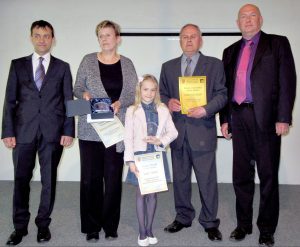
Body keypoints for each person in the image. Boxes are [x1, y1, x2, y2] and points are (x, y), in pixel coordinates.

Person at [220, 4, 296, 247]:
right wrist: (224, 119)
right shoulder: (229, 51)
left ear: (261, 19)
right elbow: (225, 89)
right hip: (238, 116)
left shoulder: (278, 43)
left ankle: (266, 229)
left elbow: (288, 81)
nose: (248, 20)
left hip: (265, 118)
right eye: (243, 16)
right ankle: (243, 224)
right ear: (237, 22)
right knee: (241, 175)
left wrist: (283, 117)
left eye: (253, 16)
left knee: (268, 175)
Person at [1, 20, 74, 245]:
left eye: (46, 35)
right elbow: (9, 101)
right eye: (37, 35)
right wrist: (7, 131)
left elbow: (69, 102)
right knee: (21, 180)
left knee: (49, 181)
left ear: (53, 39)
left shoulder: (63, 67)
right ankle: (19, 227)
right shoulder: (17, 65)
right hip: (23, 132)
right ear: (31, 38)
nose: (42, 39)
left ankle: (43, 225)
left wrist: (68, 130)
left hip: (53, 133)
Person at [159, 24, 227, 241]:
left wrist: (206, 109)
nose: (188, 40)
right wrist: (168, 102)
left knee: (206, 180)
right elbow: (161, 94)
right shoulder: (168, 67)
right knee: (180, 179)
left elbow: (222, 94)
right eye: (184, 37)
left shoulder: (214, 65)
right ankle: (183, 217)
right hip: (177, 133)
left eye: (193, 37)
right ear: (180, 40)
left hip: (202, 132)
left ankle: (209, 222)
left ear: (200, 40)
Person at [73, 20, 138, 242]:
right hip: (90, 129)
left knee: (112, 179)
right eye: (100, 35)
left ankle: (110, 225)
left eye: (108, 35)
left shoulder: (127, 63)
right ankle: (91, 226)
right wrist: (85, 96)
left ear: (118, 38)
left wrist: (121, 102)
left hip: (116, 129)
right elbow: (77, 87)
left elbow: (132, 93)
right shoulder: (87, 60)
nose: (104, 39)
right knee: (90, 179)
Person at [124, 74, 178, 246]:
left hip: (156, 156)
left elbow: (173, 132)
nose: (149, 93)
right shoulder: (132, 110)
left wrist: (160, 141)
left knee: (153, 194)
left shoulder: (162, 109)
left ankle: (149, 229)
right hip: (139, 156)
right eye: (145, 89)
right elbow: (128, 138)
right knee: (141, 194)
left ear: (156, 92)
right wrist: (130, 161)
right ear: (140, 90)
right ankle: (141, 231)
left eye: (153, 90)